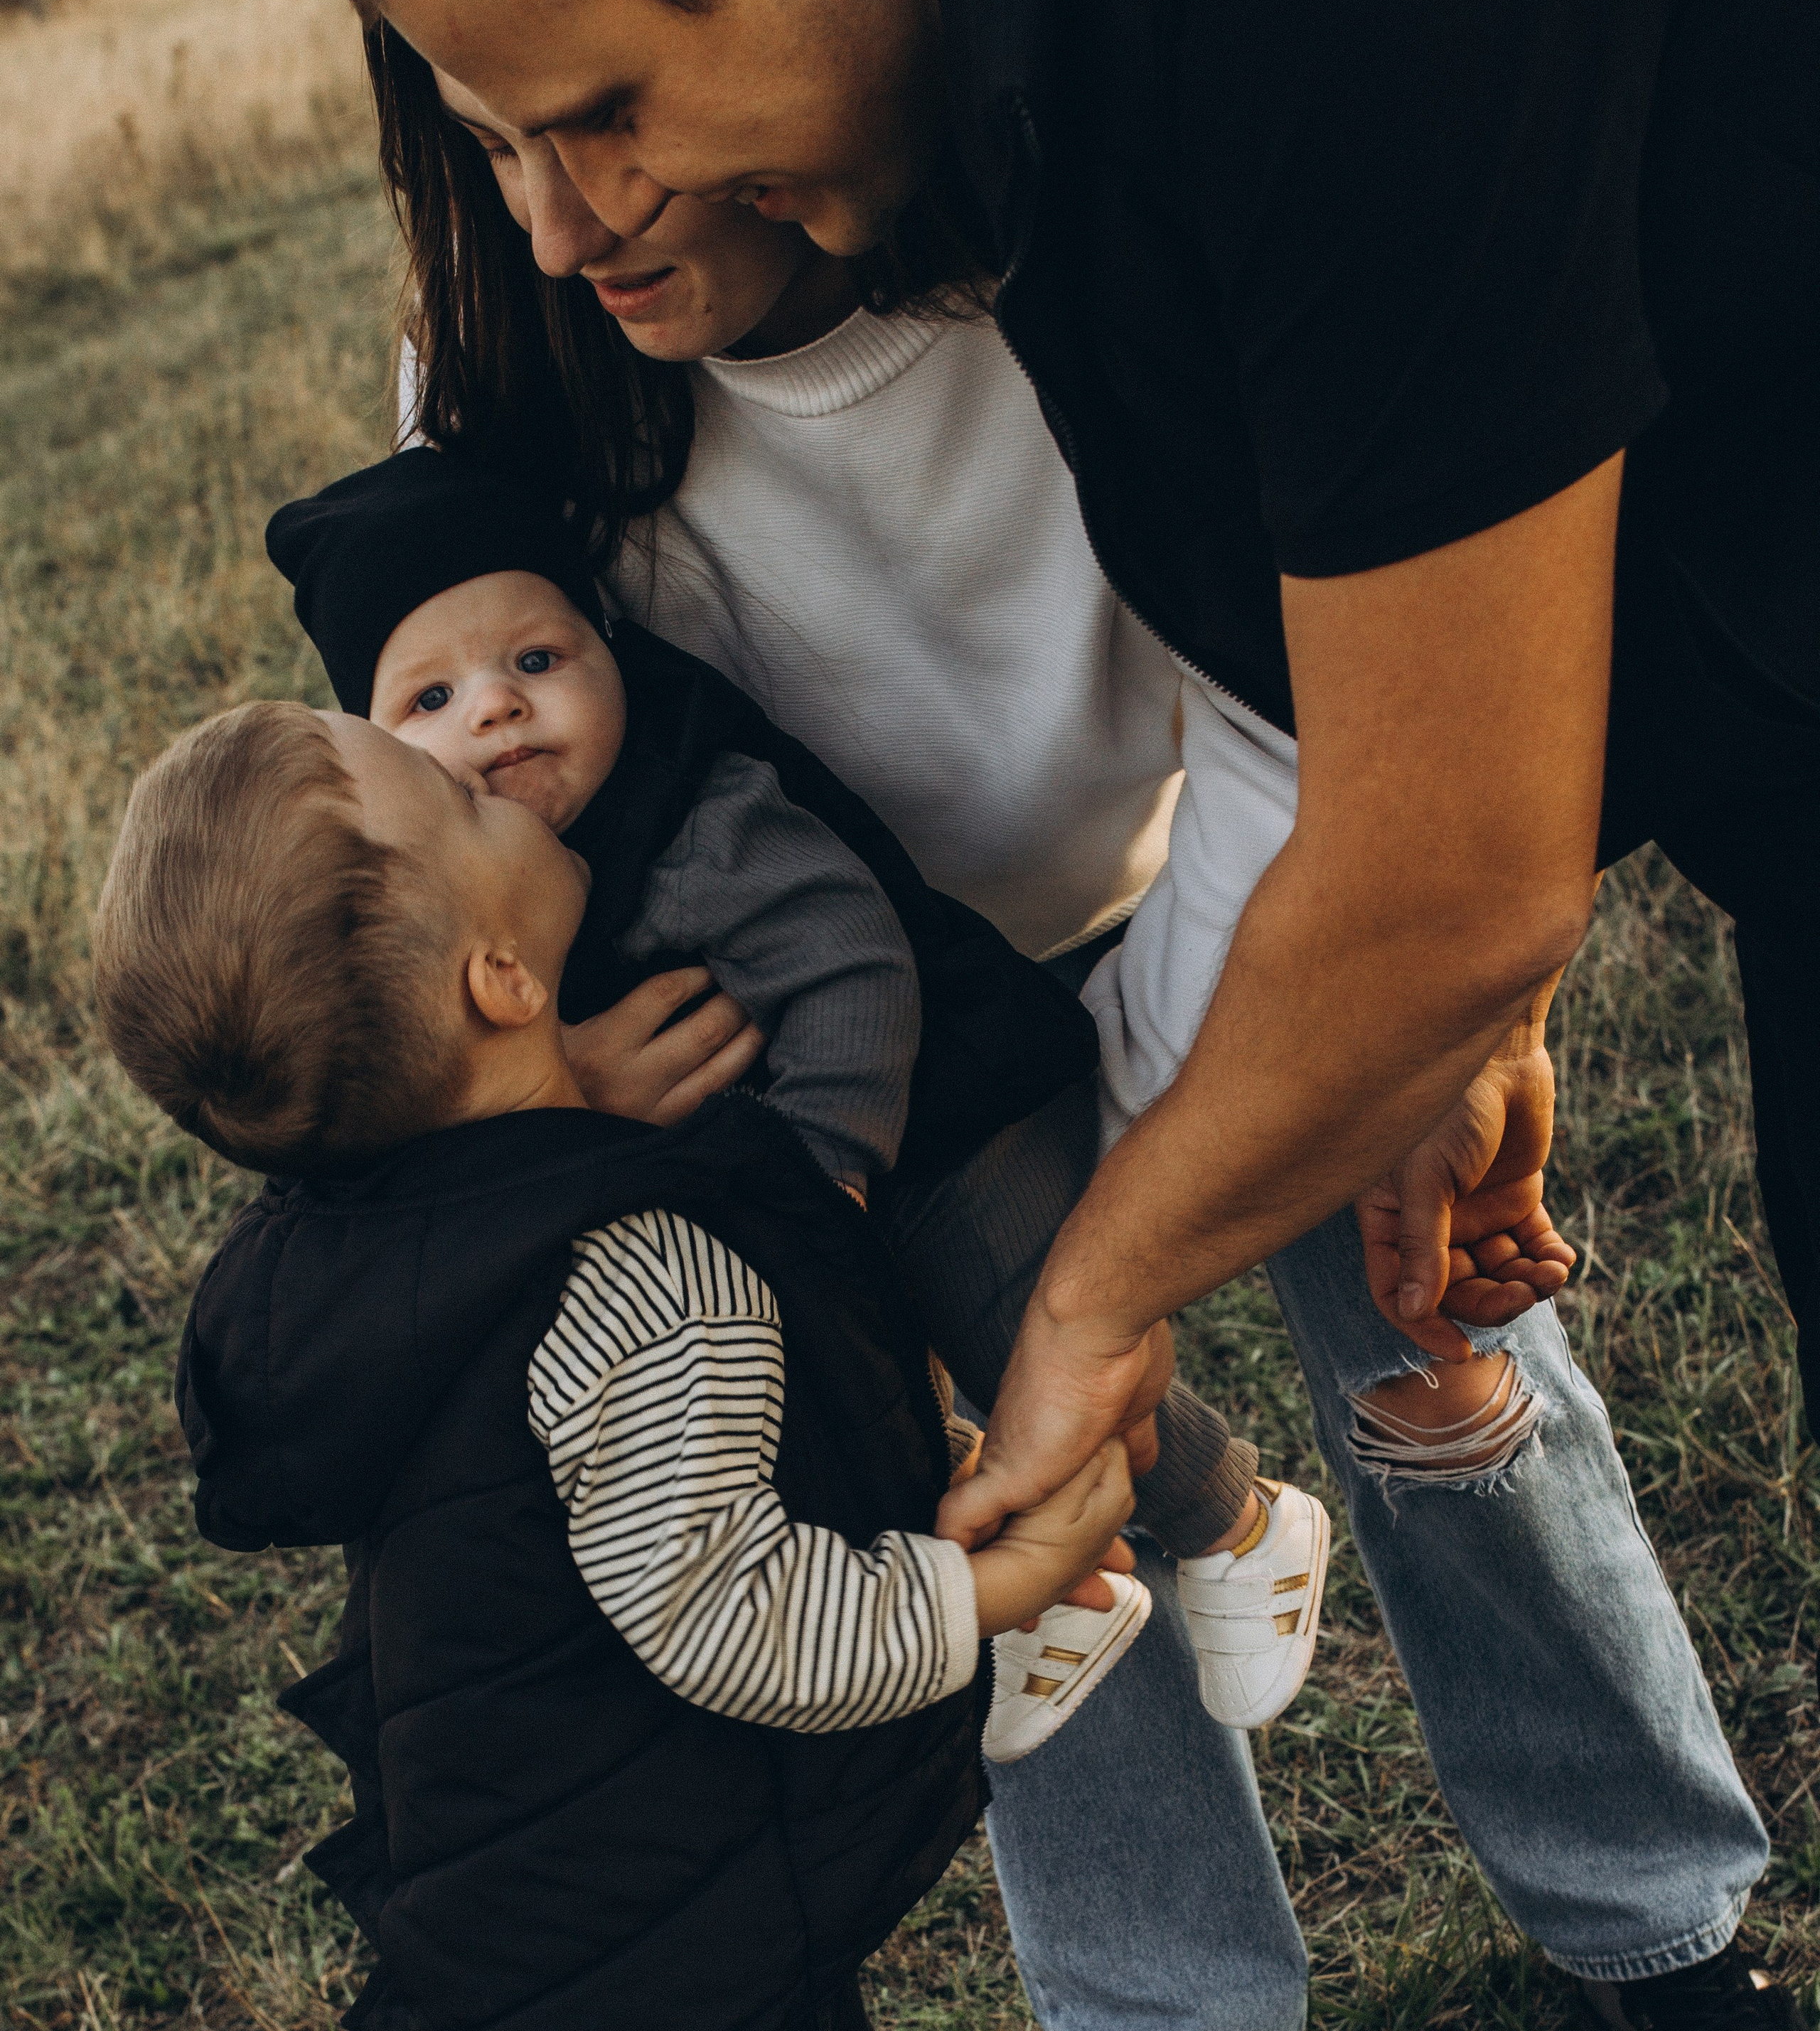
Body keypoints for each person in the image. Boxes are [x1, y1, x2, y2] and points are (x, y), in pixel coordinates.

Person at [338, 0, 1820, 2031]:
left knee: (1465, 1392)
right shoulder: (529, 373)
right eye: (499, 135)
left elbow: (1365, 677)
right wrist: (598, 1041)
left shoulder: (1058, 201)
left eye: (610, 118)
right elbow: (467, 785)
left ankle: (1657, 1917)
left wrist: (1404, 1022)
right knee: (1039, 1526)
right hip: (898, 1035)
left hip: (1264, 894)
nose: (567, 203)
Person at [91, 695, 1165, 2031]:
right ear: (503, 973)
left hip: (610, 1923)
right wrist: (981, 1582)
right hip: (628, 1974)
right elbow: (735, 1615)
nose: (481, 762)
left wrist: (550, 1076)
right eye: (434, 783)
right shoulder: (634, 1271)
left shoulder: (377, 1232)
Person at [263, 441, 1335, 1752]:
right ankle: (1069, 1590)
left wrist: (824, 1172)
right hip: (776, 1195)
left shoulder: (694, 815)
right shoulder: (439, 899)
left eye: (537, 662)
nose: (497, 708)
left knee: (1024, 1338)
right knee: (852, 1420)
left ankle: (1235, 1518)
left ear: (610, 653)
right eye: (434, 696)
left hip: (940, 1118)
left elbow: (854, 968)